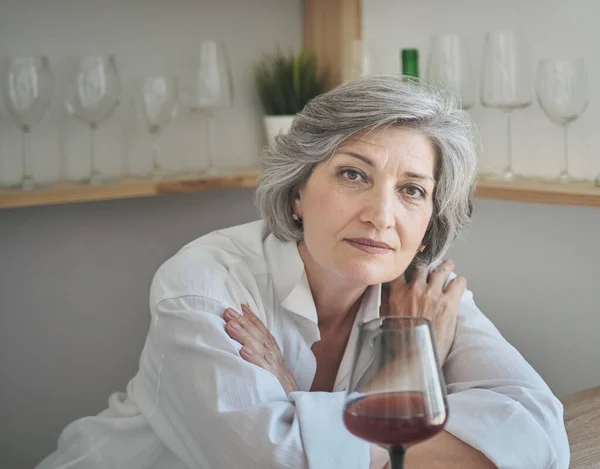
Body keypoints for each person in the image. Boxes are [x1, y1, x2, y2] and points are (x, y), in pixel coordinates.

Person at [37, 75, 569, 469]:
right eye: (353, 175)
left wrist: (299, 407)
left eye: (411, 189)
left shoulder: (425, 294)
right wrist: (409, 366)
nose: (381, 215)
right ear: (297, 193)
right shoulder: (202, 287)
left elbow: (538, 437)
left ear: (430, 217)